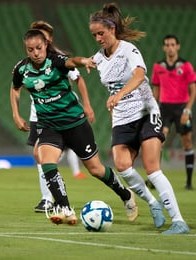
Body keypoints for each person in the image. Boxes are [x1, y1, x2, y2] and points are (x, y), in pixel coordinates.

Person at [10, 29, 137, 225]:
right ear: (26, 50)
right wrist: (16, 114)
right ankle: (65, 208)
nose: (36, 53)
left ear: (45, 45)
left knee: (96, 169)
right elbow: (15, 88)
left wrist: (84, 61)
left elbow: (72, 62)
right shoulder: (21, 69)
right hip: (48, 124)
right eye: (30, 49)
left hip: (74, 123)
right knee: (47, 162)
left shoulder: (55, 61)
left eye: (39, 48)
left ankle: (125, 195)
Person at [89, 3, 189, 234]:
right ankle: (153, 204)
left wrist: (120, 94)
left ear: (112, 29)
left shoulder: (128, 50)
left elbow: (139, 74)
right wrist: (79, 63)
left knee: (152, 168)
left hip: (146, 112)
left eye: (101, 33)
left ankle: (178, 221)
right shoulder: (99, 58)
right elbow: (83, 62)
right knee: (122, 166)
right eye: (94, 35)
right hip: (122, 118)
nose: (97, 38)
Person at [28, 21, 90, 213]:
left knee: (45, 155)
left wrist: (86, 105)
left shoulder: (59, 59)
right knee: (39, 156)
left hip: (61, 114)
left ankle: (52, 197)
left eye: (44, 38)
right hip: (37, 113)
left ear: (49, 40)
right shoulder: (29, 62)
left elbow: (78, 78)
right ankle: (49, 198)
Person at [151, 34, 196, 190]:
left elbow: (193, 90)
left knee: (187, 142)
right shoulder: (158, 66)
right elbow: (155, 92)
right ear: (164, 47)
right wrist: (151, 108)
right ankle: (154, 178)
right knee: (159, 141)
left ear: (178, 46)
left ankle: (189, 182)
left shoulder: (186, 66)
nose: (170, 47)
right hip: (164, 108)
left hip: (181, 108)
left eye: (173, 44)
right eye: (167, 45)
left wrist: (187, 110)